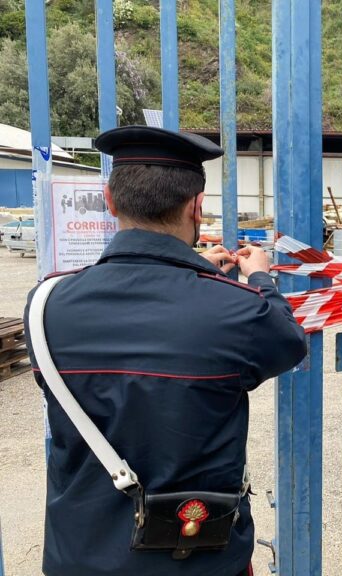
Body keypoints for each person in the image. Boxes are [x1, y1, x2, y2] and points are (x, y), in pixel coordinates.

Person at [24, 126, 307, 576]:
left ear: (111, 201)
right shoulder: (237, 311)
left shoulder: (45, 304)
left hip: (81, 555)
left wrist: (198, 275)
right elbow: (289, 341)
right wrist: (258, 278)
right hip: (198, 556)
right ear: (197, 207)